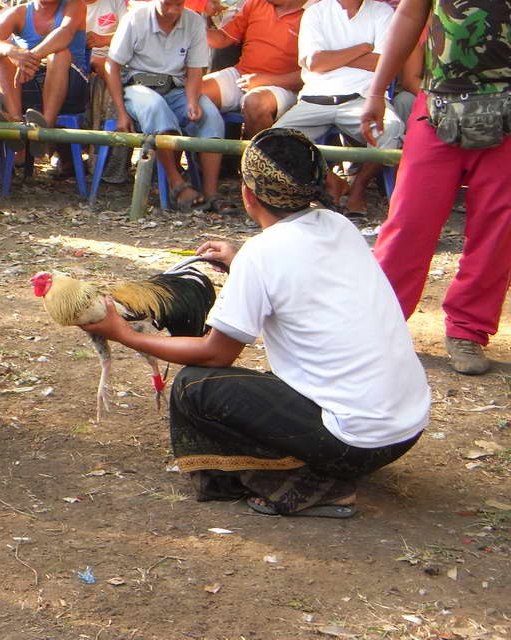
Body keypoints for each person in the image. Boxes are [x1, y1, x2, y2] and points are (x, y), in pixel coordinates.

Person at [80, 128, 430, 518]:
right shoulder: (340, 226)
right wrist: (240, 261)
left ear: (248, 194)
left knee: (195, 387)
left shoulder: (264, 254)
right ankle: (322, 463)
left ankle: (306, 485)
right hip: (405, 429)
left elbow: (215, 355)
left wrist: (124, 334)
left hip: (355, 440)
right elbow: (298, 272)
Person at [359, 0, 511, 376]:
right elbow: (410, 13)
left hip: (509, 108)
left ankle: (468, 331)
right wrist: (378, 90)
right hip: (440, 100)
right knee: (409, 220)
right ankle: (378, 325)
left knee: (497, 229)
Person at [272, 0, 402, 217]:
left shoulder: (382, 13)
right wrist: (363, 47)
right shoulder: (317, 13)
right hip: (315, 99)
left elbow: (382, 62)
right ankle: (331, 180)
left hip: (362, 100)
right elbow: (315, 62)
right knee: (275, 142)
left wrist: (335, 57)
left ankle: (358, 190)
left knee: (391, 130)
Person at [105, 0, 228, 212]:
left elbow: (195, 70)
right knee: (155, 108)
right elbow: (112, 66)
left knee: (212, 118)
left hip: (177, 87)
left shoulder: (193, 22)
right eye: (166, 3)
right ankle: (176, 183)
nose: (172, 10)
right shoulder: (135, 19)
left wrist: (193, 100)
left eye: (179, 5)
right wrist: (120, 111)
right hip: (139, 87)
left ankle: (211, 190)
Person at [0, 0, 88, 175]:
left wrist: (30, 58)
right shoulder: (20, 12)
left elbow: (65, 33)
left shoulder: (74, 5)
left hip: (70, 87)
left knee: (59, 54)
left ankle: (45, 128)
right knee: (1, 54)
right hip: (28, 85)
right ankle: (16, 121)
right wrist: (12, 51)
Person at [203, 0, 312, 137]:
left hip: (283, 87)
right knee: (194, 92)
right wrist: (188, 27)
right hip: (242, 76)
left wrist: (265, 80)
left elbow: (311, 75)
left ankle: (251, 164)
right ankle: (206, 165)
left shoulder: (315, 14)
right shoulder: (257, 1)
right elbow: (222, 39)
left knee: (255, 103)